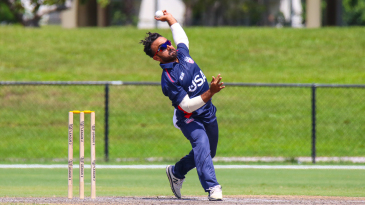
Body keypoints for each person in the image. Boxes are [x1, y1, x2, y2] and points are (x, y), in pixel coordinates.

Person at [140, 10, 225, 201]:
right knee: (201, 143)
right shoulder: (168, 78)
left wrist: (170, 19)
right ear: (156, 57)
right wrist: (210, 92)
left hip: (207, 111)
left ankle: (176, 172)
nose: (169, 46)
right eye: (162, 47)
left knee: (209, 152)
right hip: (187, 116)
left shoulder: (182, 54)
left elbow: (182, 38)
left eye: (167, 42)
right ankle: (213, 187)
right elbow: (186, 106)